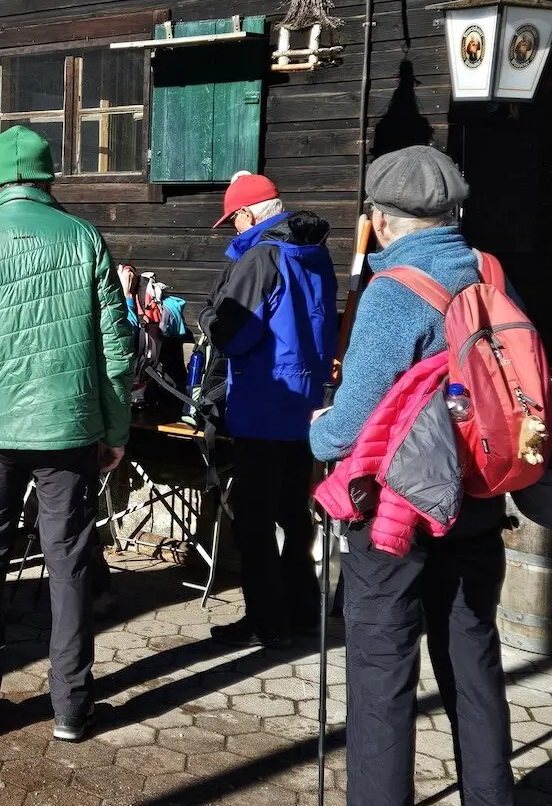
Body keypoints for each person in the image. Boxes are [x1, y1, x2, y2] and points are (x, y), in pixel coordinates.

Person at [311, 146, 516, 806]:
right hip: (480, 498)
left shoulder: (394, 292)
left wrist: (316, 430)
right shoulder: (491, 273)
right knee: (473, 664)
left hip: (397, 517)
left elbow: (349, 423)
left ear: (389, 219)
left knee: (382, 672)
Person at [0, 125, 134, 742]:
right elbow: (117, 350)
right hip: (68, 428)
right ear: (47, 179)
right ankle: (71, 704)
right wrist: (114, 429)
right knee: (68, 562)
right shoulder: (83, 237)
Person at [199, 171, 337, 649]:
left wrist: (207, 317)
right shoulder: (313, 255)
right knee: (293, 515)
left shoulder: (261, 257)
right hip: (304, 406)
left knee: (254, 521)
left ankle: (266, 621)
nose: (234, 229)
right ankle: (301, 611)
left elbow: (235, 335)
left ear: (249, 213)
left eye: (233, 219)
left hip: (262, 402)